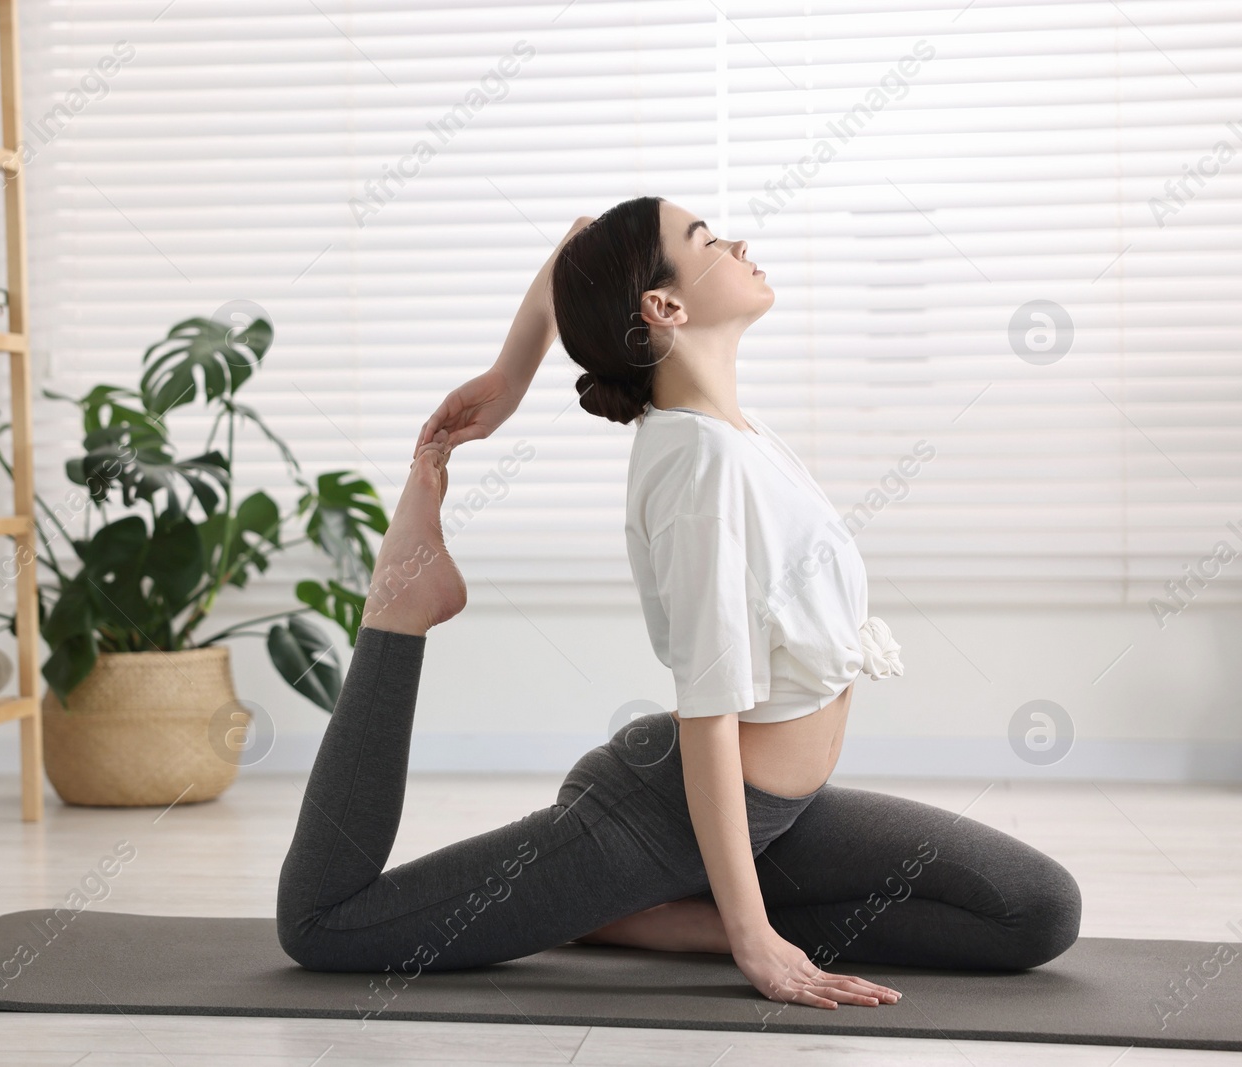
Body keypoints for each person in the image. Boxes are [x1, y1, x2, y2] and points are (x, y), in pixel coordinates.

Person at [276, 198, 1082, 1011]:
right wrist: (748, 939)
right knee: (326, 925)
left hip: (777, 815)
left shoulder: (734, 431)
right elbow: (708, 713)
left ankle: (642, 916)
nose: (737, 241)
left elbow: (578, 247)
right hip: (656, 822)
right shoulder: (700, 471)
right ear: (664, 306)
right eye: (707, 239)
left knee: (1035, 907)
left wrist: (509, 376)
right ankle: (399, 601)